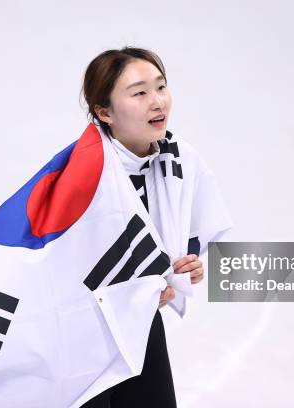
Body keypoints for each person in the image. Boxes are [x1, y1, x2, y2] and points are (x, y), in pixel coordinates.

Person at [78, 47, 210, 407]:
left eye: (161, 87)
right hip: (82, 339)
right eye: (139, 93)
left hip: (141, 330)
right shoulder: (82, 174)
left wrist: (183, 270)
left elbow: (186, 236)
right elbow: (61, 267)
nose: (157, 102)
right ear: (104, 112)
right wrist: (136, 290)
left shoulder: (179, 158)